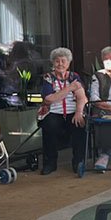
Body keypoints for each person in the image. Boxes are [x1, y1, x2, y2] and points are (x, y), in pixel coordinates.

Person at [39, 47, 87, 175]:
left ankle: (78, 162)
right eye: (57, 61)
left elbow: (82, 97)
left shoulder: (74, 76)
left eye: (63, 61)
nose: (60, 64)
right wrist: (69, 88)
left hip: (73, 111)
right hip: (54, 112)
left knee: (79, 125)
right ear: (53, 63)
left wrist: (79, 113)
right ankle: (50, 163)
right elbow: (49, 99)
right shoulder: (48, 78)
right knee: (49, 125)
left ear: (68, 63)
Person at [89, 46, 111, 172]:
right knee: (106, 122)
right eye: (106, 59)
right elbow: (94, 97)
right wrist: (110, 107)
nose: (109, 61)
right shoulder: (98, 76)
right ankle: (104, 155)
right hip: (105, 109)